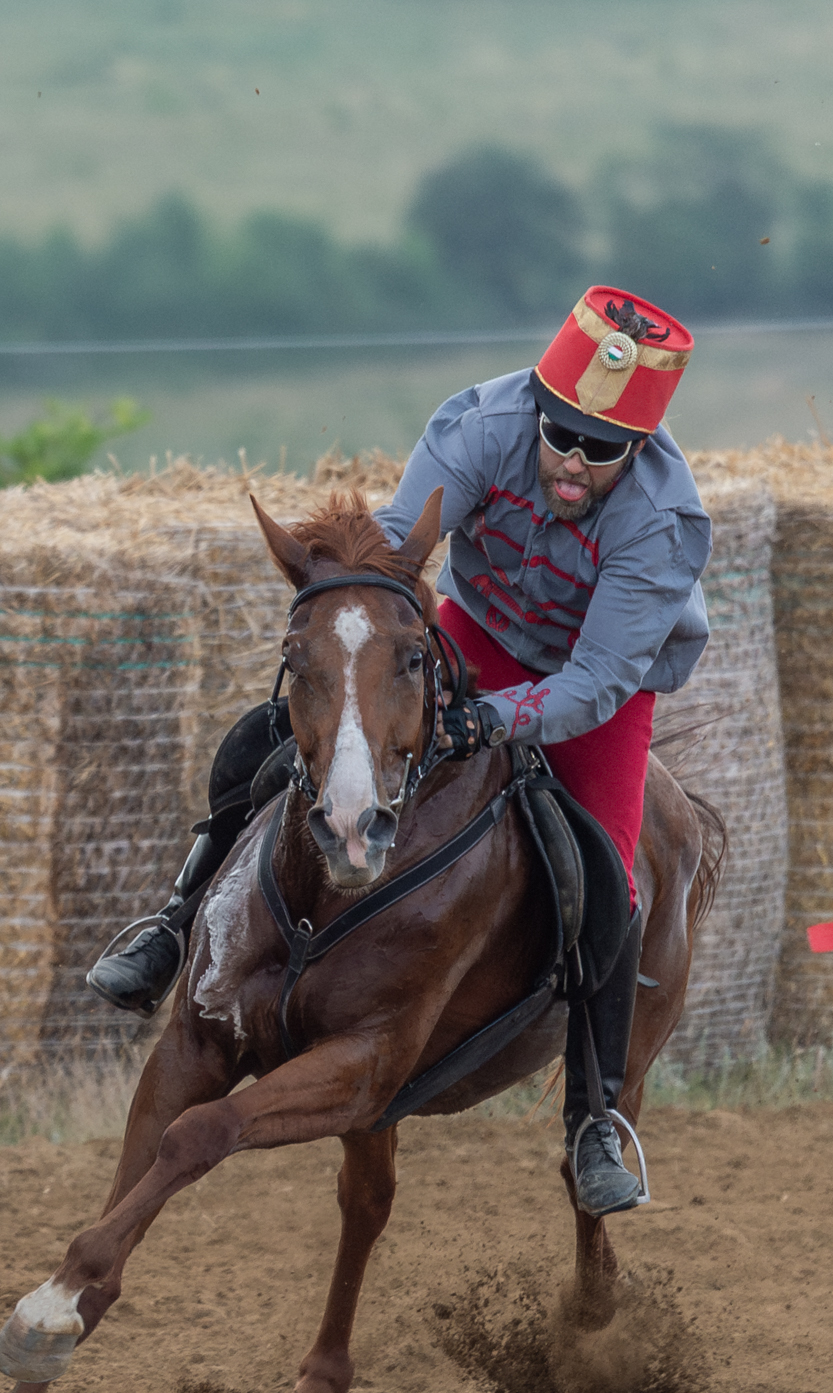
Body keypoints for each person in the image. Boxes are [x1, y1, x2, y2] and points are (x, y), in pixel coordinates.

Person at [87, 286, 710, 1216]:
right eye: (561, 434)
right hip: (473, 625)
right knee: (259, 742)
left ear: (642, 449)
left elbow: (590, 685)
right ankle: (173, 925)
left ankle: (594, 1118)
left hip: (595, 680)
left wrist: (491, 721)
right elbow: (393, 553)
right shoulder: (480, 425)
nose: (573, 462)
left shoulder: (662, 523)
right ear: (537, 408)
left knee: (609, 884)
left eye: (602, 450)